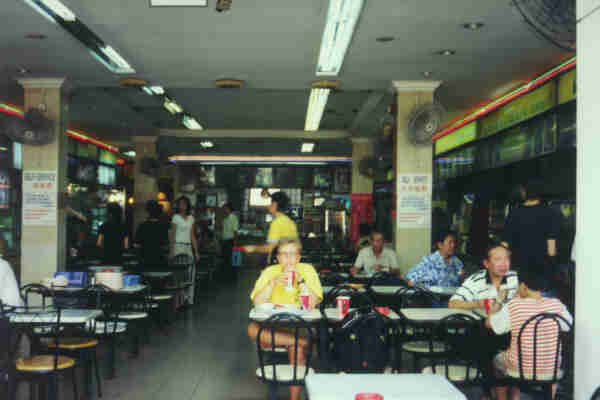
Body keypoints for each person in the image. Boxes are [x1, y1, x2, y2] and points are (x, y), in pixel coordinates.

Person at [248, 237, 322, 400]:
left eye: (292, 255)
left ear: (298, 258)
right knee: (253, 329)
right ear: (278, 258)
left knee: (297, 348)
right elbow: (257, 302)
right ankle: (302, 342)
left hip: (299, 325)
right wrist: (272, 283)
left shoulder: (307, 270)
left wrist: (300, 281)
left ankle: (294, 398)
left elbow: (313, 303)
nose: (288, 259)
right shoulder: (270, 272)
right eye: (284, 255)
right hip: (273, 327)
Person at [486, 268, 573, 400]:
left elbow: (492, 325)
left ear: (523, 286)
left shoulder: (514, 305)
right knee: (522, 358)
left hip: (519, 369)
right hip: (551, 370)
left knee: (497, 360)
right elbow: (568, 325)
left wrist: (499, 300)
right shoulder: (556, 305)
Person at [449, 243, 519, 400]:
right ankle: (490, 391)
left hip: (511, 331)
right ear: (486, 263)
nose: (504, 264)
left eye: (507, 259)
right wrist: (479, 303)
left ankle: (499, 392)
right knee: (484, 339)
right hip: (485, 332)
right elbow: (453, 303)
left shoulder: (517, 279)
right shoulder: (476, 280)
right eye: (498, 259)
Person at [502, 180, 561, 293]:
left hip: (518, 271)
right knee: (542, 306)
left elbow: (504, 245)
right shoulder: (550, 213)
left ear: (524, 193)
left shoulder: (514, 213)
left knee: (519, 306)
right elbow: (551, 249)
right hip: (541, 272)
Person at [243, 191, 298, 263]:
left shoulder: (277, 223)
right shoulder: (290, 222)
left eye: (270, 203)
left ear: (274, 205)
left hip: (278, 263)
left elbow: (269, 248)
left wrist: (253, 248)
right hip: (289, 263)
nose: (267, 206)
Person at [170, 196, 199, 305]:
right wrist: (171, 250)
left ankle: (189, 299)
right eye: (180, 204)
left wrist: (196, 252)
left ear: (188, 206)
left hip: (188, 247)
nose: (182, 206)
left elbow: (192, 236)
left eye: (184, 204)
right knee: (178, 274)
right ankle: (178, 300)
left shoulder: (191, 218)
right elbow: (172, 235)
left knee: (190, 273)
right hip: (178, 246)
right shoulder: (175, 217)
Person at [134, 200, 169, 269]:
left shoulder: (142, 226)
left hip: (145, 259)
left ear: (148, 212)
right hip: (159, 260)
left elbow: (137, 244)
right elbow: (165, 245)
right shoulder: (163, 226)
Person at [221, 202, 239, 281]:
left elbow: (235, 232)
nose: (224, 210)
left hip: (230, 241)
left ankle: (232, 278)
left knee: (232, 260)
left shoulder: (233, 218)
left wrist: (235, 244)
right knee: (226, 260)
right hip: (225, 241)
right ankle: (227, 277)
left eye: (225, 208)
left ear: (229, 209)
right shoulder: (225, 219)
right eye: (224, 209)